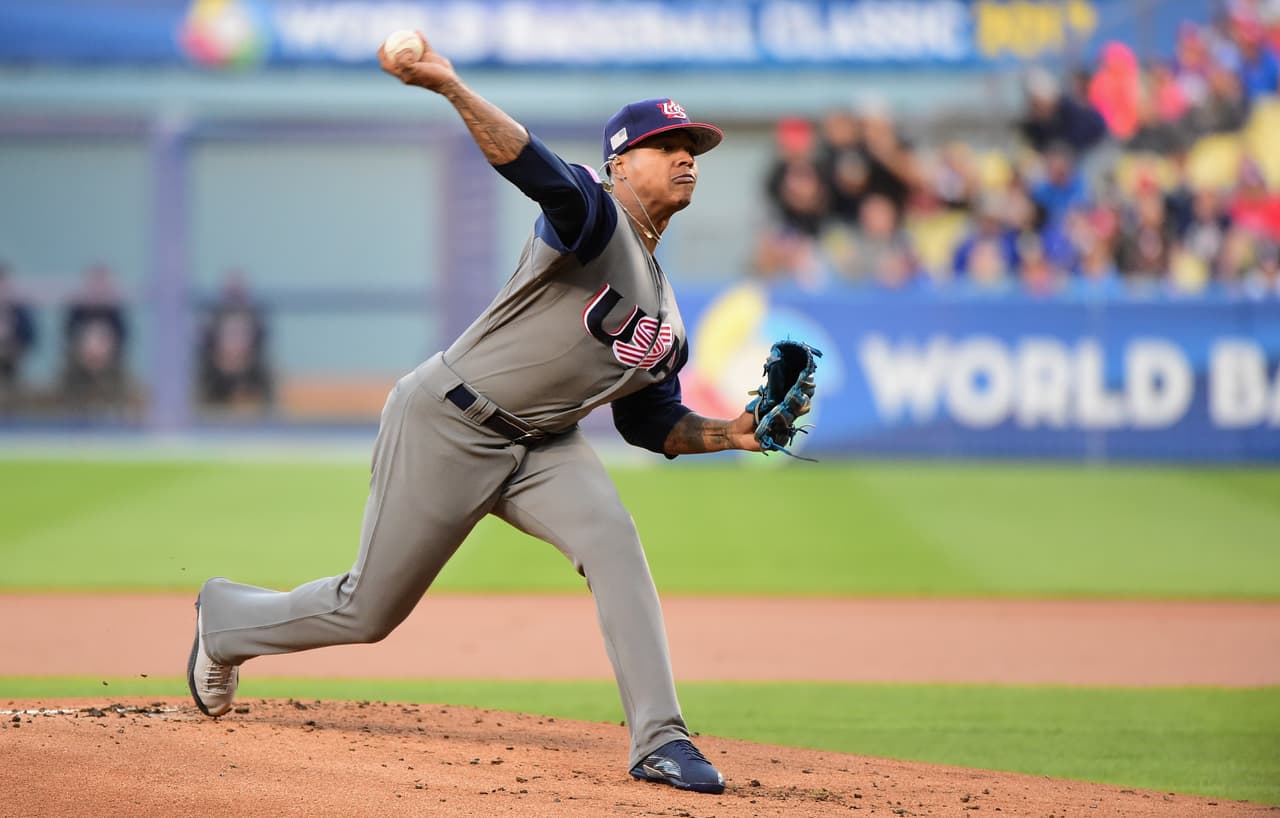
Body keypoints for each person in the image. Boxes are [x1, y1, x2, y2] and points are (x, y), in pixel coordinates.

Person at [186, 31, 781, 797]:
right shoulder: (594, 218)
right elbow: (536, 171)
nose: (685, 155)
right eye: (664, 144)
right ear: (617, 166)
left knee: (614, 542)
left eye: (691, 146)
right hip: (449, 420)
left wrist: (730, 432)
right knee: (367, 611)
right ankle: (226, 620)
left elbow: (647, 424)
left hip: (545, 446)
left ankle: (660, 738)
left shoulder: (667, 316)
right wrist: (450, 87)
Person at [197, 269, 273, 410]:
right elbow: (205, 341)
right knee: (204, 374)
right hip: (218, 362)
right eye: (231, 289)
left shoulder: (254, 313)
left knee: (265, 371)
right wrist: (218, 357)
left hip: (248, 362)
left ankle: (269, 412)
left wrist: (246, 356)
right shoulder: (214, 314)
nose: (234, 293)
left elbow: (262, 338)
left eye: (238, 289)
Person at [0, 262, 37, 413]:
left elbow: (30, 334)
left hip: (13, 352)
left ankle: (12, 406)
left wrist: (17, 343)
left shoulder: (20, 308)